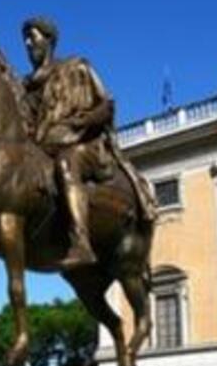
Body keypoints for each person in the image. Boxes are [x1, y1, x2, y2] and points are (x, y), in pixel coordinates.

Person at [20, 17, 157, 264]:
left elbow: (107, 105)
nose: (28, 43)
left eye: (33, 36)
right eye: (26, 39)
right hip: (44, 147)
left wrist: (83, 121)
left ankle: (81, 242)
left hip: (84, 145)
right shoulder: (27, 87)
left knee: (66, 161)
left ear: (48, 40)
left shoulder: (77, 67)